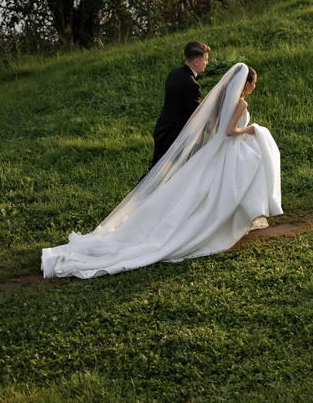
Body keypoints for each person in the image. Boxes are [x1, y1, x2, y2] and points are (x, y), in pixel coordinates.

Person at [41, 63, 282, 279]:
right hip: (228, 150)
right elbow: (230, 132)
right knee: (230, 184)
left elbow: (212, 128)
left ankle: (229, 220)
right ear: (246, 84)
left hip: (213, 151)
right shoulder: (241, 103)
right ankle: (225, 223)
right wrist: (251, 130)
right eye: (253, 83)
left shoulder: (219, 100)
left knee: (200, 190)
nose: (254, 87)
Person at [151, 41, 210, 168]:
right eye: (205, 59)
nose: (207, 63)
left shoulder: (174, 73)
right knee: (192, 169)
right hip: (178, 137)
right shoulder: (191, 85)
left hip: (163, 130)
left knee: (155, 170)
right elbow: (196, 113)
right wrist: (213, 128)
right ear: (196, 62)